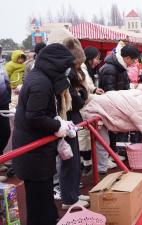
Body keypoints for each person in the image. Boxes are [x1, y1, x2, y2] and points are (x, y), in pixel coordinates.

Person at [12, 43, 75, 225]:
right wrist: (58, 125)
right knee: (39, 202)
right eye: (65, 66)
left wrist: (58, 121)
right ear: (56, 64)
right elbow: (35, 117)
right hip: (33, 152)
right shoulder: (40, 82)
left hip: (37, 151)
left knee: (44, 198)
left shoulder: (41, 77)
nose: (67, 70)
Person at [81, 89, 142, 155]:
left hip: (101, 106)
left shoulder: (141, 96)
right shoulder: (140, 109)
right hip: (95, 110)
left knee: (103, 142)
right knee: (103, 142)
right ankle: (101, 168)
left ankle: (102, 164)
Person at [58, 37, 90, 209]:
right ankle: (69, 198)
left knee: (73, 159)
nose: (80, 67)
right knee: (69, 160)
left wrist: (81, 94)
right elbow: (76, 101)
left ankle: (73, 194)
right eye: (78, 63)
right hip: (67, 121)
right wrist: (81, 95)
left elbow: (80, 96)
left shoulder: (71, 75)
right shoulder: (65, 76)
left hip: (71, 120)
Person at [99, 45, 139, 161]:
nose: (133, 63)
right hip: (112, 105)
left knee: (114, 131)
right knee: (111, 131)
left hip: (118, 103)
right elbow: (109, 91)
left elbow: (124, 86)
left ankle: (113, 153)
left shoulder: (120, 67)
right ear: (126, 58)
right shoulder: (110, 69)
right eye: (133, 60)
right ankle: (110, 155)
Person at [79, 46, 105, 175]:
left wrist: (94, 89)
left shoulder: (86, 69)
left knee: (86, 136)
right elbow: (84, 89)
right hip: (83, 106)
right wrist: (94, 94)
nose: (98, 61)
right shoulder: (81, 68)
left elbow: (87, 86)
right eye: (96, 58)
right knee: (83, 136)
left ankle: (87, 163)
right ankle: (86, 164)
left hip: (86, 104)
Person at [0, 45, 10, 182]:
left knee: (5, 131)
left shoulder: (2, 63)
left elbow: (6, 80)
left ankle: (0, 158)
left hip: (3, 102)